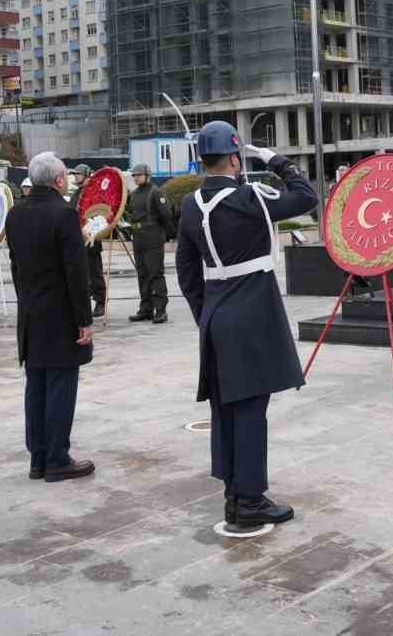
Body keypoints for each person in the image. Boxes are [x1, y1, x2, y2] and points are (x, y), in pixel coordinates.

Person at [175, 121, 318, 530]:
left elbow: (187, 271)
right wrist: (275, 160)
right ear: (236, 159)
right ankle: (250, 502)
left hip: (216, 317)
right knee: (252, 410)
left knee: (227, 410)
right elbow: (305, 197)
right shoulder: (248, 197)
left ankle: (234, 495)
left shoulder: (190, 206)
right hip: (252, 315)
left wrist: (205, 314)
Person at [4, 152, 95, 481]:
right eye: (65, 176)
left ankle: (38, 458)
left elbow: (16, 268)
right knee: (60, 386)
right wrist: (84, 319)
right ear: (58, 180)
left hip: (30, 313)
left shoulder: (15, 215)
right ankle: (58, 458)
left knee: (36, 386)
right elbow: (75, 272)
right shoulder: (64, 214)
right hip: (60, 315)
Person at [124, 163, 175, 324]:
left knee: (155, 273)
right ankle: (146, 309)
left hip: (153, 237)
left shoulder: (156, 192)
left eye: (138, 175)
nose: (136, 177)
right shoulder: (134, 194)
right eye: (134, 175)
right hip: (138, 237)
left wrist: (168, 234)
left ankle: (160, 311)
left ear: (147, 175)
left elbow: (166, 215)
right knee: (142, 274)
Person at [67, 168, 107, 318]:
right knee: (80, 274)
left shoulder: (94, 193)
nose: (76, 176)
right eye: (75, 174)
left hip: (91, 238)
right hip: (77, 239)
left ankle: (100, 302)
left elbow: (100, 213)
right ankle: (83, 303)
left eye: (78, 174)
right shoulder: (76, 194)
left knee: (95, 272)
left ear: (87, 176)